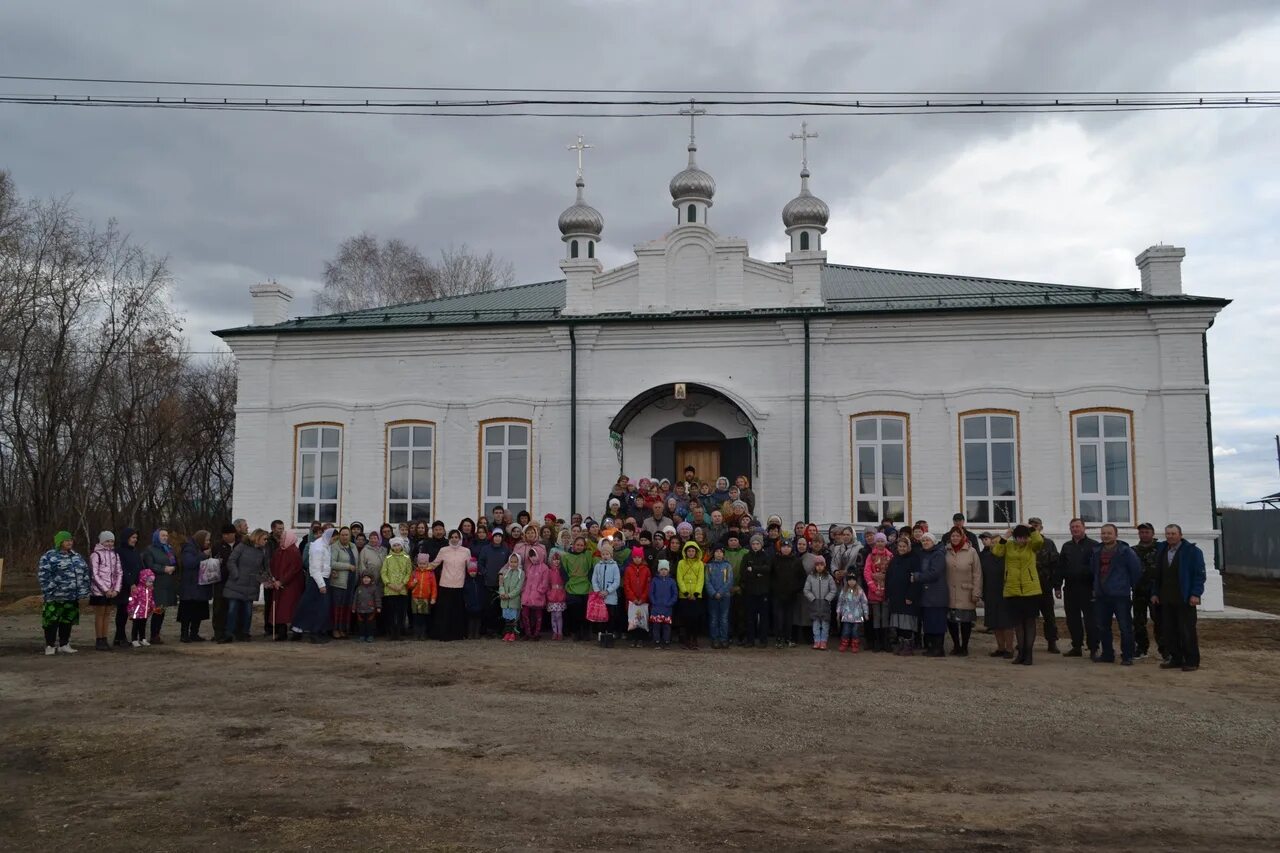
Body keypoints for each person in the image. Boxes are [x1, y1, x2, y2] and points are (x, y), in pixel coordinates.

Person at [1151, 524, 1206, 672]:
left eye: (1173, 533)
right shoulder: (1162, 551)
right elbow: (1157, 575)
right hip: (1166, 598)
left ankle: (1191, 660)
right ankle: (1176, 658)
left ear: (1180, 535)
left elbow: (1199, 575)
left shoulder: (1192, 552)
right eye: (1168, 533)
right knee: (1169, 630)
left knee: (1187, 631)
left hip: (1185, 597)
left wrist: (1196, 594)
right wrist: (1155, 593)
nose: (1170, 536)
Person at [991, 524, 1044, 666]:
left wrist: (1032, 529)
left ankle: (1029, 654)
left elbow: (1039, 541)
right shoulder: (1008, 546)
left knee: (1030, 623)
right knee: (1018, 624)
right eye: (1019, 537)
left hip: (1031, 590)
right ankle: (1020, 654)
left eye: (1024, 537)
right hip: (1013, 590)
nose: (1022, 540)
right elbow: (996, 551)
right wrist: (1004, 536)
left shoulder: (1032, 545)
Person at [1090, 523, 1143, 666]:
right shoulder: (1096, 551)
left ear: (1116, 535)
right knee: (1103, 626)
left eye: (1109, 533)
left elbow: (1136, 571)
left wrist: (1126, 586)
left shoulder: (1125, 551)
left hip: (1120, 595)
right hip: (1101, 595)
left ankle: (1127, 655)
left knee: (1125, 627)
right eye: (1103, 533)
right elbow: (1094, 571)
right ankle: (1107, 654)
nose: (1106, 536)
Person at [38, 530, 90, 655]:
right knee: (51, 621)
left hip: (72, 596)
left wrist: (84, 590)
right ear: (60, 542)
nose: (69, 543)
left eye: (71, 540)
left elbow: (84, 573)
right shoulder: (49, 556)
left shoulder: (76, 556)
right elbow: (43, 576)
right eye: (66, 540)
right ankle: (50, 645)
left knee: (67, 620)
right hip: (54, 596)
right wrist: (50, 589)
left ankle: (64, 644)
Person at [1056, 519, 1099, 659]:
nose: (1075, 529)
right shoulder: (1066, 546)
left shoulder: (1094, 545)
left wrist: (1096, 588)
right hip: (1070, 588)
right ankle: (1076, 646)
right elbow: (1060, 567)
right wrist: (1057, 586)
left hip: (1088, 588)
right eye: (1072, 527)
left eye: (1077, 526)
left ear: (1084, 528)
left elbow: (1098, 569)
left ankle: (1093, 648)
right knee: (1072, 619)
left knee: (1091, 620)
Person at [222, 529, 272, 643]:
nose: (266, 541)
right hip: (236, 584)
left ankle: (245, 633)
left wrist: (266, 580)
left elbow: (264, 568)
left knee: (248, 611)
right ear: (257, 537)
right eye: (264, 539)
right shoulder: (242, 546)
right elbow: (231, 561)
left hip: (251, 585)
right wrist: (236, 574)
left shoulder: (263, 551)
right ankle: (228, 634)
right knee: (232, 610)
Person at [944, 526, 982, 657]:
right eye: (953, 536)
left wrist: (976, 591)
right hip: (949, 591)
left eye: (957, 536)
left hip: (966, 591)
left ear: (963, 537)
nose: (955, 538)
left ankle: (964, 646)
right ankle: (956, 645)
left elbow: (977, 573)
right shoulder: (946, 551)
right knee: (951, 621)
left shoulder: (971, 552)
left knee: (965, 621)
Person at [292, 527, 335, 643]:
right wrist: (321, 585)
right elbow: (315, 568)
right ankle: (314, 632)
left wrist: (330, 572)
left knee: (313, 606)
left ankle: (300, 630)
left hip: (322, 578)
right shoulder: (318, 547)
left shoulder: (325, 545)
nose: (333, 542)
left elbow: (324, 564)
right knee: (317, 608)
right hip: (317, 580)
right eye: (333, 539)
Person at [427, 530, 471, 641]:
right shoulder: (444, 550)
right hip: (445, 584)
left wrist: (475, 571)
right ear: (449, 538)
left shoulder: (466, 551)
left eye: (456, 537)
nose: (454, 539)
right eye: (452, 537)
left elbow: (470, 567)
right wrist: (421, 567)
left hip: (459, 585)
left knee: (458, 611)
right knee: (444, 612)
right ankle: (443, 634)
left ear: (460, 538)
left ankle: (458, 634)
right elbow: (434, 564)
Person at [911, 533, 949, 658]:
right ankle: (932, 647)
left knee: (937, 622)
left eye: (927, 540)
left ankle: (938, 648)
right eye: (923, 540)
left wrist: (917, 577)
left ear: (933, 542)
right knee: (929, 622)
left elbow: (934, 573)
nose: (925, 542)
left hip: (936, 595)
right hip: (926, 595)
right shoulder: (923, 554)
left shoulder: (938, 554)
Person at [979, 532, 1015, 658]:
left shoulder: (1008, 556)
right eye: (992, 543)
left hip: (1006, 593)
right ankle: (1000, 647)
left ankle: (1009, 649)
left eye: (997, 543)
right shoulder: (986, 557)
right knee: (994, 623)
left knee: (1006, 623)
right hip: (990, 593)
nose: (994, 545)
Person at [1131, 522, 1164, 661]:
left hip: (1156, 591)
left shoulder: (1161, 549)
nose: (1144, 534)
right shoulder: (1133, 550)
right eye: (1142, 532)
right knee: (1138, 621)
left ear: (1153, 533)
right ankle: (1141, 648)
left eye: (1147, 532)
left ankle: (1165, 650)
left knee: (1160, 621)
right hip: (1138, 590)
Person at [1028, 518, 1061, 653]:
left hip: (1045, 586)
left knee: (1049, 617)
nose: (1034, 528)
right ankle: (1027, 642)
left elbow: (1055, 565)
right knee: (1028, 618)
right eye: (1031, 526)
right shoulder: (1024, 543)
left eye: (1036, 526)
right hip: (1028, 587)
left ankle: (1052, 642)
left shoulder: (1048, 543)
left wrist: (1057, 586)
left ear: (1041, 527)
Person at [886, 535, 921, 655]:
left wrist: (911, 596)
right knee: (898, 623)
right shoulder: (895, 559)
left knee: (907, 623)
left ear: (908, 547)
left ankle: (908, 646)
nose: (901, 548)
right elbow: (889, 576)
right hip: (896, 596)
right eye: (900, 546)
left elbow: (916, 580)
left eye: (904, 546)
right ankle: (901, 645)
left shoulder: (914, 559)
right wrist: (888, 593)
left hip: (907, 597)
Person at [141, 528, 177, 644]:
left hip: (167, 583)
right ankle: (149, 634)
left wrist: (173, 568)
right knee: (156, 609)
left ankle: (156, 634)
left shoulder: (169, 549)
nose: (165, 538)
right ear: (157, 537)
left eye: (166, 535)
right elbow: (150, 565)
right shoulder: (150, 550)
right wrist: (163, 569)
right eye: (163, 536)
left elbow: (174, 562)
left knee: (161, 609)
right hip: (156, 583)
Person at [89, 530, 122, 652]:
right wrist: (105, 589)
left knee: (108, 614)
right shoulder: (96, 555)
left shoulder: (115, 555)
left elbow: (119, 572)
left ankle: (105, 638)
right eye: (107, 541)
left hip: (112, 590)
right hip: (99, 591)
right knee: (100, 614)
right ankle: (99, 639)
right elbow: (94, 574)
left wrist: (116, 590)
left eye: (112, 541)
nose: (109, 543)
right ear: (102, 541)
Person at [177, 531, 213, 643]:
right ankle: (184, 634)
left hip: (200, 586)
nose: (208, 542)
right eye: (207, 540)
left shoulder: (199, 549)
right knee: (188, 612)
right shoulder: (189, 548)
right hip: (190, 586)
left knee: (198, 611)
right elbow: (189, 563)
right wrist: (203, 555)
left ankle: (194, 633)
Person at [269, 528, 304, 640]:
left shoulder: (294, 551)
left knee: (292, 608)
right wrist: (274, 578)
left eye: (283, 538)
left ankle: (297, 632)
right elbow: (273, 565)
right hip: (279, 584)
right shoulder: (279, 551)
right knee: (280, 609)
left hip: (292, 586)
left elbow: (294, 569)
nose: (281, 539)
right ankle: (282, 632)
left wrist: (282, 581)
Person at [770, 538, 805, 649]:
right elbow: (770, 576)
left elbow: (802, 577)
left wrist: (796, 589)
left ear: (791, 548)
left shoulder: (796, 561)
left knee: (789, 618)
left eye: (788, 547)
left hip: (791, 595)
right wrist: (773, 589)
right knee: (778, 618)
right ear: (780, 548)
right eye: (784, 547)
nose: (786, 549)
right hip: (777, 595)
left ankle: (788, 638)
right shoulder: (775, 559)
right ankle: (778, 639)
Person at [476, 529, 512, 637]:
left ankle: (500, 629)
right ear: (492, 537)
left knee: (501, 608)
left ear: (502, 538)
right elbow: (480, 563)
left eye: (499, 536)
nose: (497, 538)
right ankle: (489, 630)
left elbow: (509, 564)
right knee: (489, 607)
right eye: (496, 536)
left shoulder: (506, 550)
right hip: (488, 582)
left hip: (502, 584)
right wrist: (485, 572)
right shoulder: (486, 549)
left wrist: (505, 575)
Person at [741, 534, 773, 648]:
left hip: (763, 591)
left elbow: (768, 570)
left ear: (761, 545)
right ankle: (750, 640)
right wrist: (758, 573)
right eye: (753, 544)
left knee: (764, 617)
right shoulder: (746, 556)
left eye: (757, 544)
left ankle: (763, 640)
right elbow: (744, 573)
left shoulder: (766, 556)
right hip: (750, 591)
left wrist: (754, 569)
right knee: (750, 617)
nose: (755, 546)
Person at [113, 527, 143, 648]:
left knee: (127, 612)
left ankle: (119, 637)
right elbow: (122, 569)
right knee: (122, 611)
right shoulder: (119, 551)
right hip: (124, 585)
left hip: (135, 586)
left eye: (136, 538)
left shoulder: (135, 551)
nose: (135, 540)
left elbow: (139, 567)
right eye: (132, 538)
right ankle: (120, 636)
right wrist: (130, 583)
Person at [862, 533, 892, 652]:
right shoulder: (871, 556)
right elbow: (867, 572)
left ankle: (885, 641)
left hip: (885, 592)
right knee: (876, 617)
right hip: (874, 592)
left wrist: (885, 582)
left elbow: (892, 572)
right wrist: (873, 587)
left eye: (882, 541)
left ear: (885, 543)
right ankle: (877, 641)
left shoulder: (890, 556)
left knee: (885, 617)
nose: (880, 543)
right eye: (878, 541)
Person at [561, 536, 594, 641]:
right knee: (575, 611)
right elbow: (564, 572)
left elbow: (590, 570)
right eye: (578, 545)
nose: (579, 547)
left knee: (585, 611)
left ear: (584, 546)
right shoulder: (566, 557)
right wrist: (567, 583)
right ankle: (575, 632)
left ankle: (585, 632)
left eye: (581, 545)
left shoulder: (587, 555)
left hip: (585, 586)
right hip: (572, 586)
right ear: (573, 545)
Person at [208, 524, 237, 645]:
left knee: (232, 607)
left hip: (235, 581)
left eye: (228, 534)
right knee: (219, 607)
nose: (225, 537)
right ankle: (218, 632)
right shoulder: (217, 546)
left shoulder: (240, 545)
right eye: (223, 535)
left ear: (233, 534)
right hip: (221, 581)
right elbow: (216, 562)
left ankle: (231, 631)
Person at [328, 527, 359, 639]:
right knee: (337, 606)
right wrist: (348, 566)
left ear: (350, 536)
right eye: (342, 535)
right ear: (339, 535)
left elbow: (357, 562)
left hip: (351, 581)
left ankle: (344, 629)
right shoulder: (335, 547)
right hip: (339, 582)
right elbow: (332, 563)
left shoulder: (353, 546)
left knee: (347, 606)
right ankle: (335, 629)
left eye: (346, 535)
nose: (344, 537)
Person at [675, 542, 705, 650]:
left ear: (696, 552)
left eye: (693, 551)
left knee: (695, 619)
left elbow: (701, 579)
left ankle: (695, 639)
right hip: (685, 596)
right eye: (689, 551)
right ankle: (687, 639)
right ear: (685, 552)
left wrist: (696, 593)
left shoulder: (700, 564)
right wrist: (686, 592)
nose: (691, 553)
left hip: (697, 596)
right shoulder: (681, 563)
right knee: (686, 619)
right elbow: (679, 578)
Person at [803, 556, 836, 650]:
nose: (819, 567)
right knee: (816, 624)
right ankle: (817, 640)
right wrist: (812, 598)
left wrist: (827, 599)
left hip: (825, 604)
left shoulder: (829, 577)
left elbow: (833, 590)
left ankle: (824, 641)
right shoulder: (811, 576)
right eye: (817, 565)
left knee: (825, 624)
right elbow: (806, 590)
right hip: (815, 604)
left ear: (824, 565)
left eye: (821, 564)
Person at [591, 542, 622, 642]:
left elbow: (617, 581)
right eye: (603, 554)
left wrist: (608, 591)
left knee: (611, 616)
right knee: (601, 617)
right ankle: (601, 633)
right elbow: (594, 579)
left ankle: (610, 633)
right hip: (600, 597)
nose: (605, 556)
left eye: (607, 554)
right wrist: (598, 591)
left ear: (611, 555)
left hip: (611, 597)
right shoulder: (598, 566)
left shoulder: (614, 566)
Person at [381, 541, 413, 640]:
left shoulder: (407, 558)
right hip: (390, 590)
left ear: (402, 546)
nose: (396, 547)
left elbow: (409, 572)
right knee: (390, 612)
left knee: (401, 613)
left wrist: (402, 584)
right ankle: (391, 633)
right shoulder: (387, 558)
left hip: (402, 590)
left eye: (398, 545)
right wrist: (389, 584)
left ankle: (399, 632)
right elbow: (383, 572)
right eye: (394, 545)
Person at [704, 545, 733, 650]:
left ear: (723, 554)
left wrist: (720, 592)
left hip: (725, 596)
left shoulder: (727, 566)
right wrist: (713, 593)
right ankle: (714, 639)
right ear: (714, 554)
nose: (718, 554)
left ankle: (724, 639)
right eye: (716, 552)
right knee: (714, 618)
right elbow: (707, 581)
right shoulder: (709, 566)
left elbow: (729, 581)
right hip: (712, 597)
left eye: (720, 552)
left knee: (724, 618)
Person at [623, 546, 653, 648]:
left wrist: (643, 598)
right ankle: (633, 638)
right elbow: (626, 585)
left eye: (639, 557)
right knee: (632, 620)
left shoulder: (647, 570)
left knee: (642, 619)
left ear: (642, 558)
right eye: (635, 557)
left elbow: (648, 586)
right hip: (632, 601)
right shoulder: (628, 569)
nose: (637, 559)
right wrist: (632, 598)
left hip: (643, 601)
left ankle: (641, 639)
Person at [521, 547, 551, 641]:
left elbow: (545, 582)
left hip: (538, 596)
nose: (533, 558)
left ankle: (536, 633)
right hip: (527, 595)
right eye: (531, 556)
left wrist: (539, 591)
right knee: (525, 614)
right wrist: (523, 590)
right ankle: (528, 633)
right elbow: (526, 580)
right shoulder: (529, 567)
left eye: (534, 555)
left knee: (538, 615)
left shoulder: (544, 568)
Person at [649, 559, 678, 649]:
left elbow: (675, 594)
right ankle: (656, 641)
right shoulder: (654, 580)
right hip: (656, 608)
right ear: (659, 570)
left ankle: (666, 641)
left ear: (668, 570)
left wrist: (670, 603)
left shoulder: (672, 581)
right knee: (656, 626)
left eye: (665, 569)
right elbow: (651, 593)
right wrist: (654, 602)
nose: (663, 571)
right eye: (661, 569)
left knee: (666, 626)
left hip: (667, 608)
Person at [836, 574, 869, 653]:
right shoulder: (844, 591)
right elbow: (840, 602)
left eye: (853, 580)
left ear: (856, 581)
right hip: (846, 615)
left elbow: (864, 602)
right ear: (847, 581)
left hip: (857, 616)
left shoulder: (860, 590)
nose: (851, 582)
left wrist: (866, 613)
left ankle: (855, 645)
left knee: (855, 631)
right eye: (850, 580)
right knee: (846, 631)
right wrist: (838, 612)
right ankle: (844, 644)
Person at [498, 553, 524, 642]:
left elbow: (518, 588)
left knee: (513, 618)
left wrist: (509, 595)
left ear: (519, 562)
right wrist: (502, 593)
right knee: (507, 618)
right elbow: (501, 584)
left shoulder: (521, 573)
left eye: (515, 562)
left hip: (514, 600)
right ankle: (507, 633)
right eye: (511, 562)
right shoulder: (505, 572)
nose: (513, 564)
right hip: (504, 600)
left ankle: (513, 634)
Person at [127, 568, 157, 647]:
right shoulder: (138, 589)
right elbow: (132, 599)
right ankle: (134, 639)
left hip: (145, 612)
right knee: (136, 625)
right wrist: (131, 610)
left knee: (143, 625)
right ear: (143, 580)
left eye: (152, 582)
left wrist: (153, 606)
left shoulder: (150, 589)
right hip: (137, 612)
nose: (151, 583)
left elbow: (151, 599)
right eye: (149, 581)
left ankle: (142, 638)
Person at [351, 569, 382, 643]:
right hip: (360, 610)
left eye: (368, 578)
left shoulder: (374, 588)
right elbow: (355, 599)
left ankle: (370, 636)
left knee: (370, 624)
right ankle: (362, 636)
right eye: (364, 578)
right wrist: (353, 607)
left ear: (371, 579)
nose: (366, 579)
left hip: (371, 610)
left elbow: (377, 598)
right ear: (362, 579)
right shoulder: (359, 588)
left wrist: (378, 607)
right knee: (361, 624)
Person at [546, 551, 568, 640]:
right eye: (554, 559)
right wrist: (548, 593)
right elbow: (547, 584)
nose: (556, 561)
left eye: (558, 559)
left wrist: (563, 592)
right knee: (553, 616)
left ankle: (560, 632)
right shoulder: (549, 571)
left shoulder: (562, 571)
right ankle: (554, 632)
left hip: (560, 595)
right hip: (552, 596)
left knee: (559, 615)